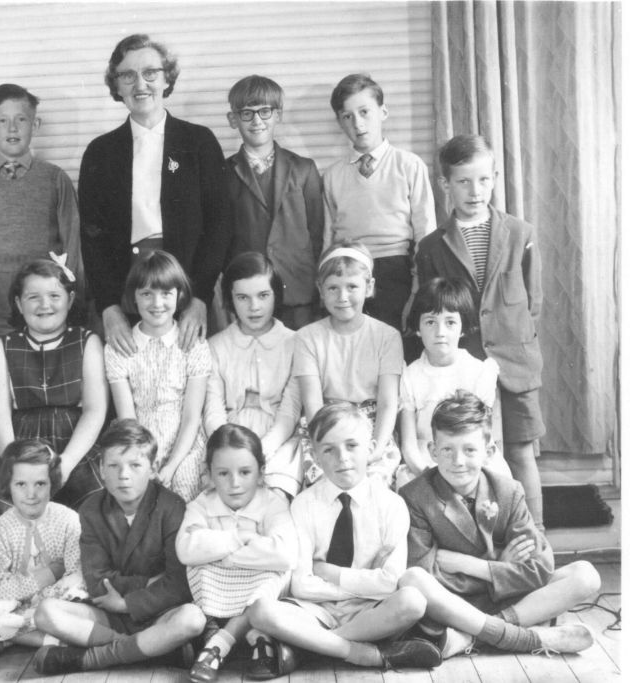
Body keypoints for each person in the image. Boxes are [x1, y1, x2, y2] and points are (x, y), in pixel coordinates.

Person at [246, 403, 442, 679]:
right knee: (260, 611)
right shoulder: (303, 505)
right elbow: (301, 585)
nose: (342, 458)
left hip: (370, 612)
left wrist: (332, 574)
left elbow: (390, 582)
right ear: (314, 455)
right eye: (328, 449)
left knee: (412, 601)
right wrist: (362, 583)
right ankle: (361, 653)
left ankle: (310, 647)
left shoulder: (392, 505)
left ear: (371, 448)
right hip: (315, 611)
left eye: (352, 445)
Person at [398, 391, 598, 658]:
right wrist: (503, 564)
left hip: (506, 601)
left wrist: (476, 565)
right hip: (454, 606)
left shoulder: (508, 491)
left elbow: (538, 569)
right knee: (414, 581)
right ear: (433, 451)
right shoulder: (415, 495)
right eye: (447, 449)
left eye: (469, 450)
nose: (458, 461)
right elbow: (425, 572)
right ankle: (527, 637)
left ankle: (472, 637)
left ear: (488, 452)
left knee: (585, 576)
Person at [416, 134, 545, 528]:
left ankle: (535, 536)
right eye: (463, 182)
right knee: (474, 456)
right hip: (465, 366)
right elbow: (432, 307)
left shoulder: (520, 233)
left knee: (521, 452)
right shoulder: (432, 246)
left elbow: (533, 301)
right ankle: (485, 536)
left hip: (515, 362)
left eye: (484, 180)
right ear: (445, 185)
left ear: (495, 178)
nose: (475, 191)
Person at [80, 33, 231, 356]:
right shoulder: (99, 152)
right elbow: (91, 240)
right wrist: (109, 307)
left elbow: (220, 226)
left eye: (150, 73)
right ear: (116, 85)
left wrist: (200, 298)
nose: (140, 84)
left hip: (188, 291)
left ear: (167, 79)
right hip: (125, 295)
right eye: (127, 75)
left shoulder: (199, 142)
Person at [32, 419, 205, 675]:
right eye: (113, 466)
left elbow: (179, 582)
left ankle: (92, 659)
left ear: (153, 467)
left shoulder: (172, 506)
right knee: (46, 612)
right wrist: (147, 582)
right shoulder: (91, 509)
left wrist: (127, 603)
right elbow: (97, 579)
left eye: (135, 465)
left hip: (158, 611)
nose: (123, 475)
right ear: (101, 469)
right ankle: (157, 650)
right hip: (109, 614)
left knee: (192, 619)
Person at [0, 84, 83, 340]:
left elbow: (73, 244)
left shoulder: (55, 179)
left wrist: (73, 301)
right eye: (2, 120)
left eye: (21, 119)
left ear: (35, 125)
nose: (12, 128)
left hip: (44, 307)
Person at [0, 258, 107, 523]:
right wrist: (16, 464)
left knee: (94, 503)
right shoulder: (2, 347)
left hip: (74, 441)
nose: (44, 304)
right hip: (19, 442)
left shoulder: (87, 342)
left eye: (54, 295)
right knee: (0, 509)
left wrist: (67, 463)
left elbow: (95, 411)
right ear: (18, 303)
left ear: (70, 299)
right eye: (33, 297)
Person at [177, 424, 296, 683]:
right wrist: (238, 538)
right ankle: (256, 639)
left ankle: (217, 645)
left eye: (245, 472)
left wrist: (222, 555)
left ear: (261, 473)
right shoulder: (202, 504)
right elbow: (186, 550)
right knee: (198, 569)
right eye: (223, 473)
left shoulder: (273, 503)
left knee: (273, 576)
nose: (235, 484)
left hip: (258, 586)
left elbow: (286, 554)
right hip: (219, 587)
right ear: (208, 474)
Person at [0, 440, 86, 657]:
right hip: (14, 608)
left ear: (53, 483)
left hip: (58, 604)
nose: (31, 494)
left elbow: (76, 574)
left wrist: (51, 594)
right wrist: (48, 574)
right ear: (8, 485)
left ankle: (3, 638)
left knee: (78, 590)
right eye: (21, 484)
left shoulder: (68, 520)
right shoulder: (0, 529)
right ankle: (49, 639)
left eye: (40, 484)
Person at [322, 74, 435, 333]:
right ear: (339, 122)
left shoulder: (408, 165)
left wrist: (418, 289)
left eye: (365, 112)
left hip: (398, 272)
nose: (358, 124)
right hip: (348, 273)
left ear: (383, 112)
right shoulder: (332, 175)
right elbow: (328, 239)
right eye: (347, 117)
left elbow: (426, 234)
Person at [292, 242, 404, 486]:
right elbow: (313, 405)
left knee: (372, 485)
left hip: (371, 427)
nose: (342, 297)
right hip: (325, 425)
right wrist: (327, 444)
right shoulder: (307, 338)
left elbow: (387, 403)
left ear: (369, 287)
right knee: (327, 486)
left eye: (352, 286)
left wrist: (375, 449)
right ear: (321, 291)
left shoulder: (387, 337)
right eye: (333, 288)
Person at [105, 251, 210, 501]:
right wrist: (144, 461)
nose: (157, 303)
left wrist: (171, 465)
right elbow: (128, 418)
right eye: (146, 294)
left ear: (179, 295)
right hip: (138, 441)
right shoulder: (119, 348)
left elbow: (192, 416)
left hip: (184, 443)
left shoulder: (194, 345)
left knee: (185, 479)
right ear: (134, 297)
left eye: (166, 293)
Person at [224, 75, 323, 331]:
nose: (257, 121)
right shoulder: (223, 173)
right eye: (247, 113)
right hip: (250, 293)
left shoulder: (304, 169)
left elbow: (317, 234)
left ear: (277, 115)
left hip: (297, 289)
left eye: (265, 111)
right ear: (233, 119)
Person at [205, 252, 303, 498]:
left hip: (279, 441)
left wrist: (262, 451)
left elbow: (289, 411)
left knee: (273, 498)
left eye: (263, 295)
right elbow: (213, 410)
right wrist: (228, 450)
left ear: (276, 295)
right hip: (226, 436)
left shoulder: (295, 343)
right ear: (230, 299)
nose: (254, 307)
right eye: (242, 297)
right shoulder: (215, 346)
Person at [397, 277, 510, 488]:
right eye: (430, 322)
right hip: (425, 462)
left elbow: (488, 439)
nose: (440, 332)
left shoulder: (478, 372)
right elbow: (409, 445)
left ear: (463, 327)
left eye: (450, 322)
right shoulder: (411, 376)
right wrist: (429, 474)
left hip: (471, 461)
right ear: (418, 327)